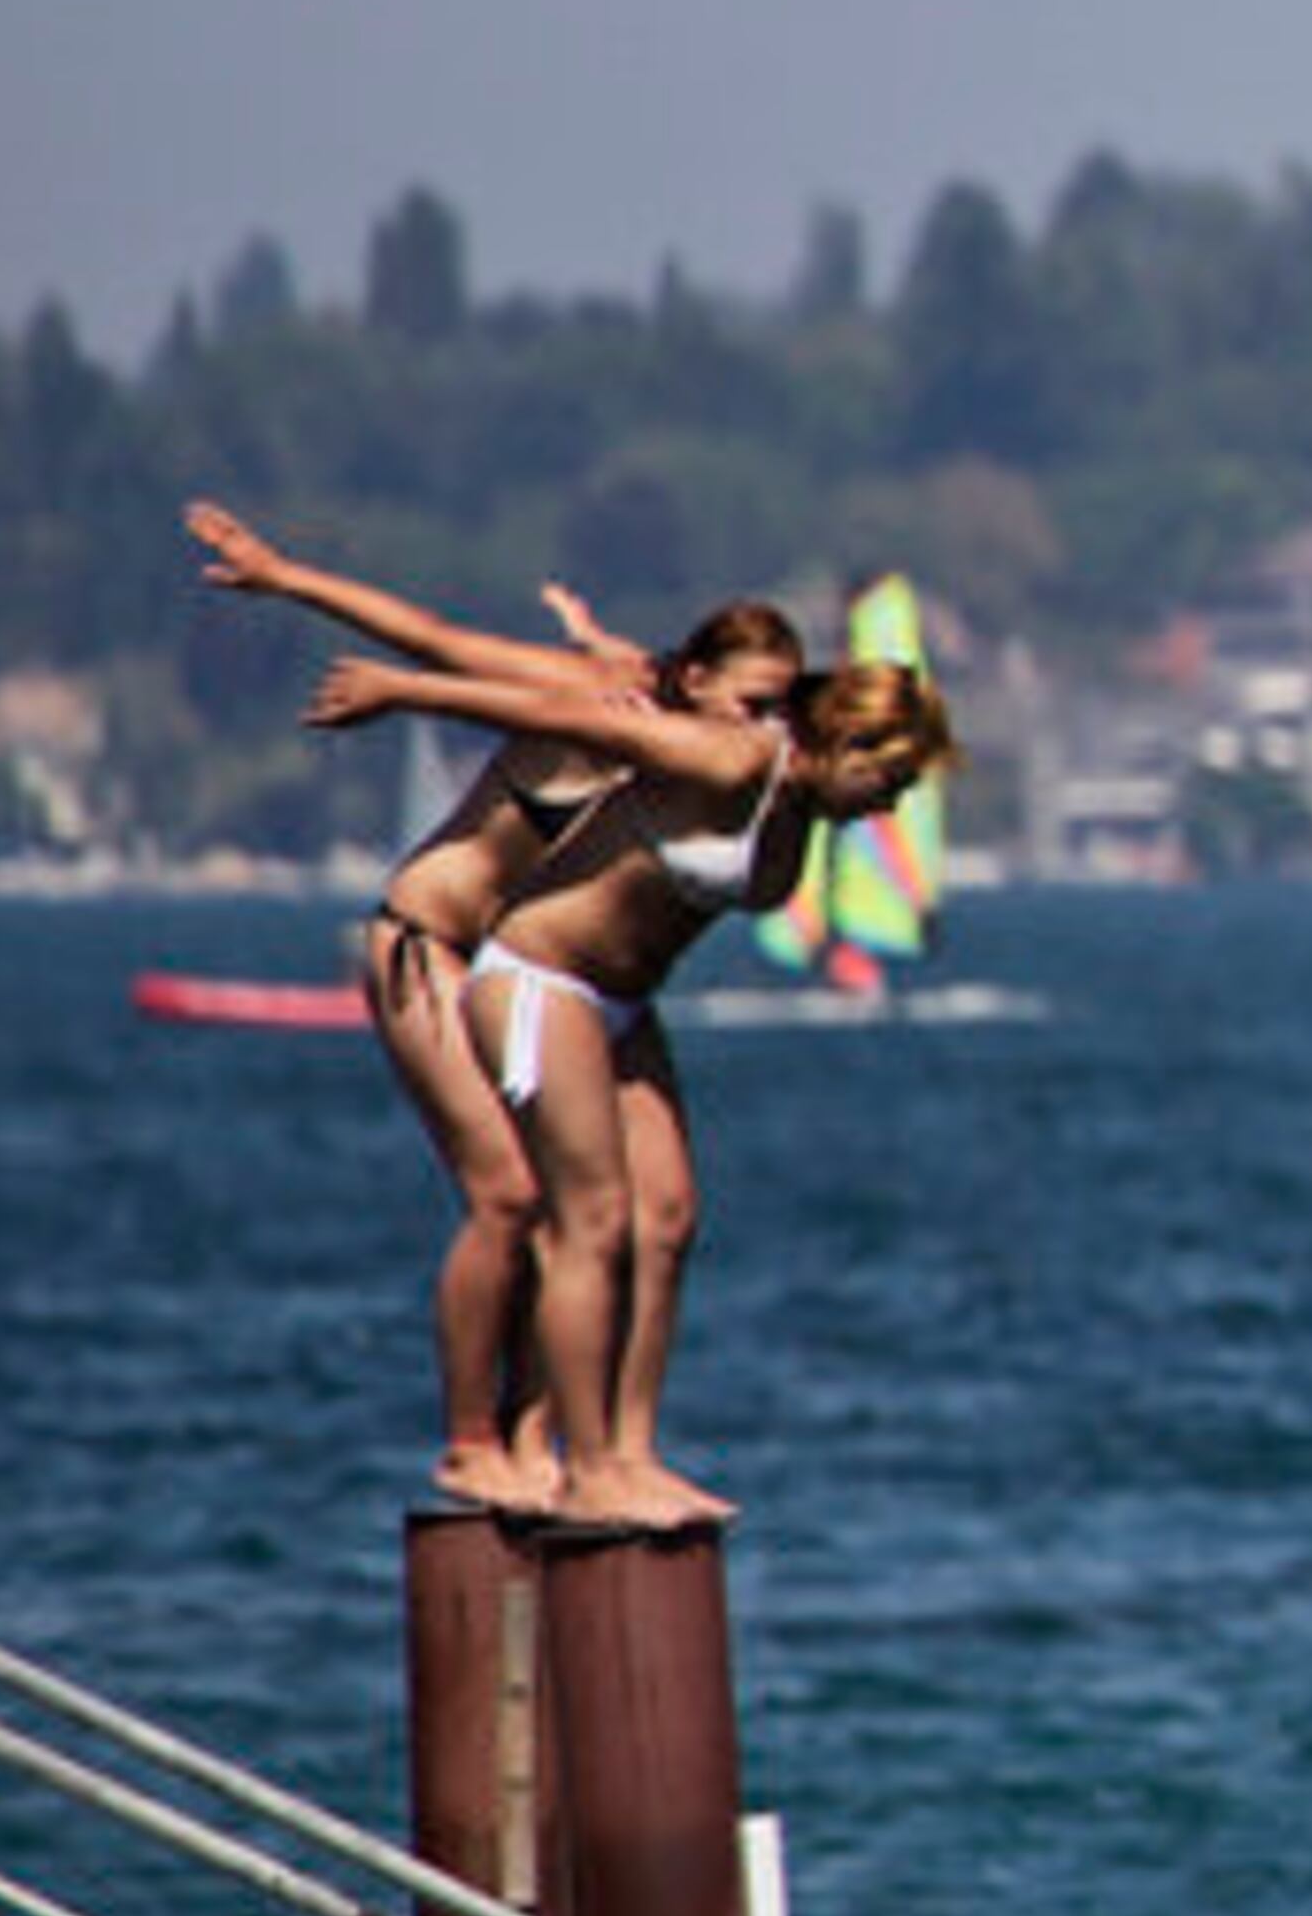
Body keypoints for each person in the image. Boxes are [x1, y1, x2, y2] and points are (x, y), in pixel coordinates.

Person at [186, 502, 805, 1513]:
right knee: (511, 1193)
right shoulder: (597, 699)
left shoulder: (711, 744)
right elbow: (437, 641)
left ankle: (550, 1442)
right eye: (749, 704)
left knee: (613, 1210)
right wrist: (289, 577)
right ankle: (472, 1441)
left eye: (778, 710)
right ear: (695, 681)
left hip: (533, 974)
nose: (762, 727)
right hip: (428, 950)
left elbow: (773, 716)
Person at [304, 647, 956, 1528]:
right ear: (845, 740)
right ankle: (587, 1467)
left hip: (619, 1000)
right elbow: (576, 718)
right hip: (541, 983)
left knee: (669, 1218)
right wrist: (401, 692)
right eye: (892, 775)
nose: (894, 801)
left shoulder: (795, 800)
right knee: (593, 1223)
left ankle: (633, 1453)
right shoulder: (734, 760)